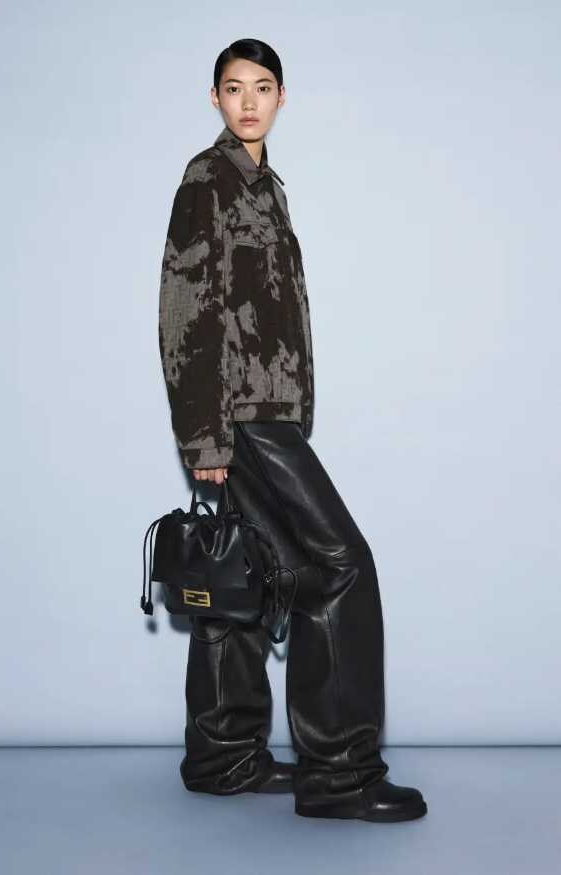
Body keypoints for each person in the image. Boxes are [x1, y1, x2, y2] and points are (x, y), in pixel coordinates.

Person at [157, 37, 428, 822]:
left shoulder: (266, 186)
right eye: (233, 87)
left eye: (262, 87)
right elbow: (186, 312)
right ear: (214, 98)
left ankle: (224, 755)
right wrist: (205, 438)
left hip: (270, 411)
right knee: (339, 566)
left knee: (255, 576)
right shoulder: (206, 181)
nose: (248, 101)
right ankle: (341, 775)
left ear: (281, 97)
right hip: (242, 416)